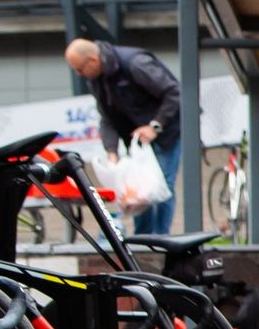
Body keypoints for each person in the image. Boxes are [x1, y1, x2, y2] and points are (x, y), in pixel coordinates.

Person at [65, 37, 184, 235]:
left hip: (165, 133)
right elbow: (107, 117)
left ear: (93, 61)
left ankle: (162, 238)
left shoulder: (135, 63)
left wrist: (155, 126)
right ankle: (143, 239)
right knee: (138, 190)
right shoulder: (96, 79)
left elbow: (174, 92)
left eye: (79, 69)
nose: (79, 74)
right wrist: (111, 151)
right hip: (137, 139)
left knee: (162, 186)